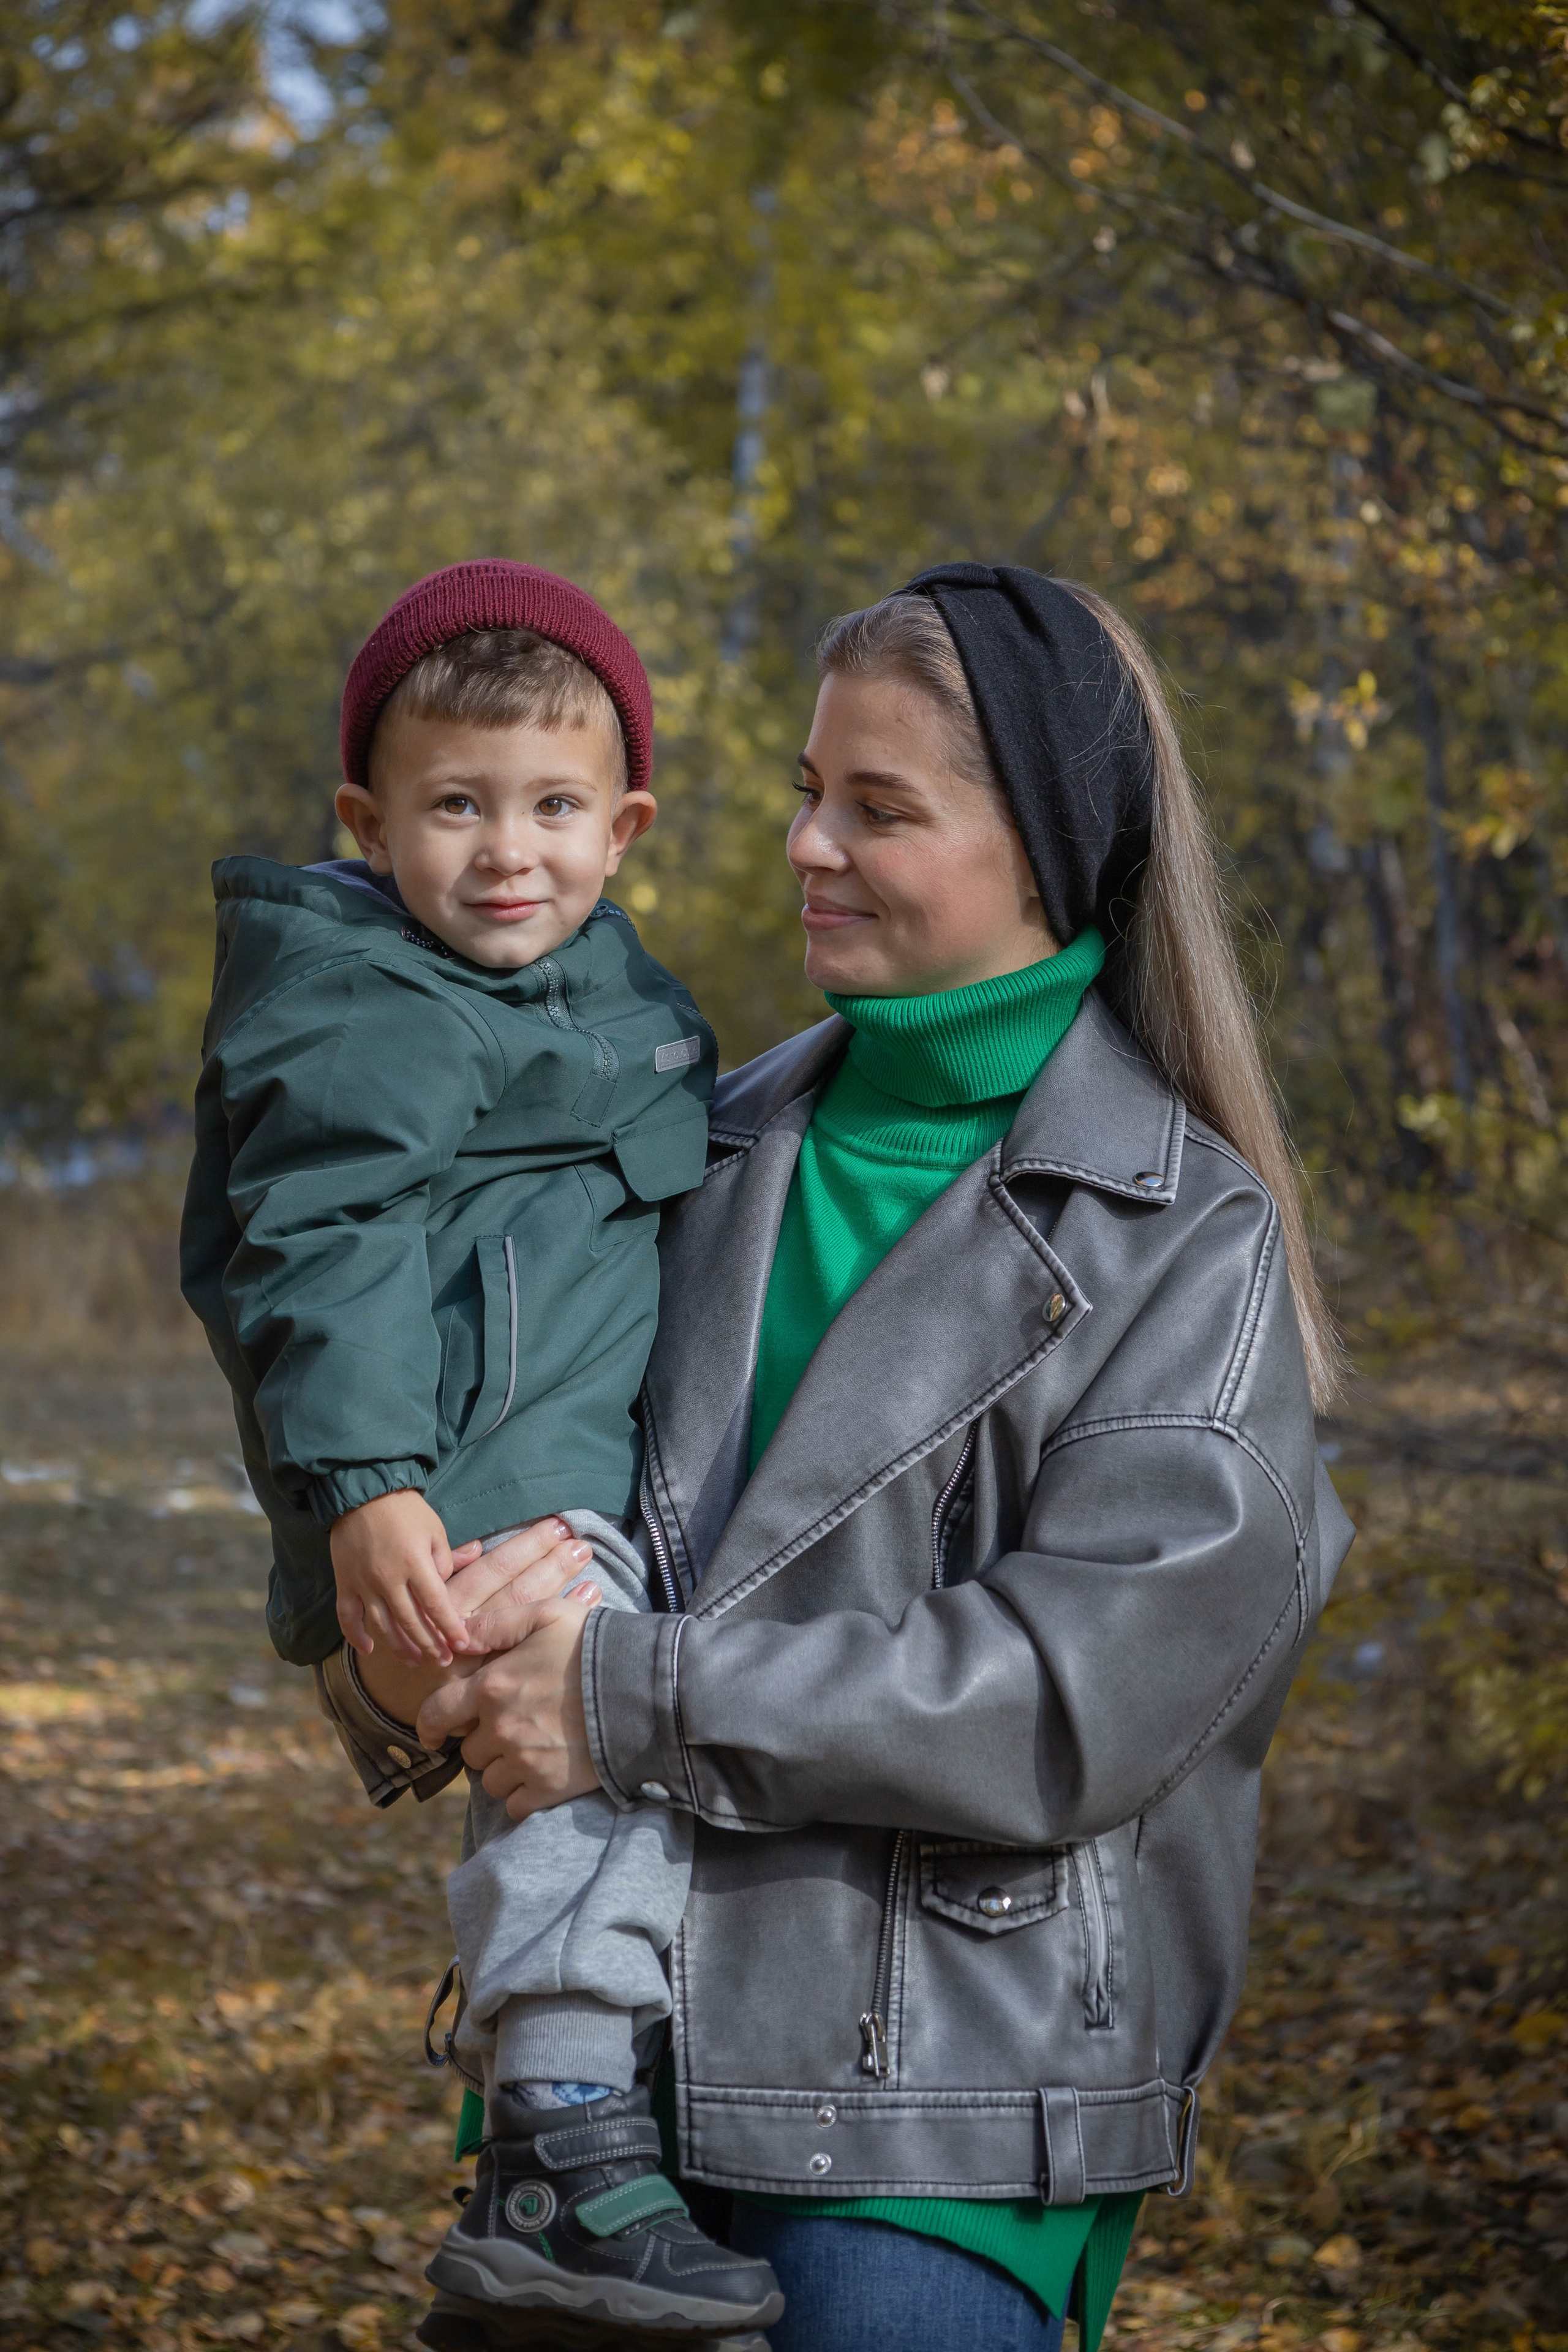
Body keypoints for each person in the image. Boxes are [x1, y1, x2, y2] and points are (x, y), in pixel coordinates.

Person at [417, 565, 1355, 2352]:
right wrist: (397, 1625)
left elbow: (1076, 1698)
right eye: (806, 787)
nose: (807, 843)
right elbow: (518, 1486)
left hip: (942, 2118)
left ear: (1045, 857)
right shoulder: (688, 1139)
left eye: (880, 807)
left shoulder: (1184, 1239)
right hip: (604, 2090)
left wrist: (627, 1697)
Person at [179, 560, 785, 2340]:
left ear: (629, 824)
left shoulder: (610, 994)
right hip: (464, 1480)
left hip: (569, 1470)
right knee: (580, 1757)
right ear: (368, 822)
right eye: (454, 806)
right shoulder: (363, 1003)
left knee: (614, 1771)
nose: (507, 853)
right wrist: (370, 1487)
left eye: (553, 808)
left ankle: (585, 2118)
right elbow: (321, 1244)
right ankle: (563, 2136)